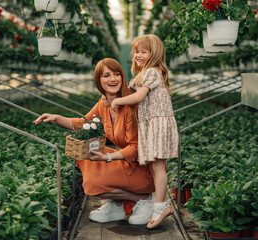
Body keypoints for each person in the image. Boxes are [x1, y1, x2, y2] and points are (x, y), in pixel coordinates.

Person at [33, 58, 156, 225]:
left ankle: (143, 199)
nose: (113, 79)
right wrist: (57, 118)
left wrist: (108, 158)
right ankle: (116, 205)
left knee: (94, 180)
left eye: (117, 74)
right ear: (99, 80)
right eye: (106, 75)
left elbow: (135, 148)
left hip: (142, 169)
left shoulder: (129, 105)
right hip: (127, 164)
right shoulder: (103, 104)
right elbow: (84, 123)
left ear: (122, 77)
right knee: (85, 157)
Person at [111, 34, 178, 229]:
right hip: (151, 123)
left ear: (154, 53)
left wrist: (117, 101)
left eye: (143, 52)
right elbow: (131, 90)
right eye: (136, 51)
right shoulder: (144, 75)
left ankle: (160, 207)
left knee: (158, 166)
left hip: (157, 122)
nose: (138, 55)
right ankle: (162, 205)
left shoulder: (152, 72)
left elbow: (138, 96)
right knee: (156, 166)